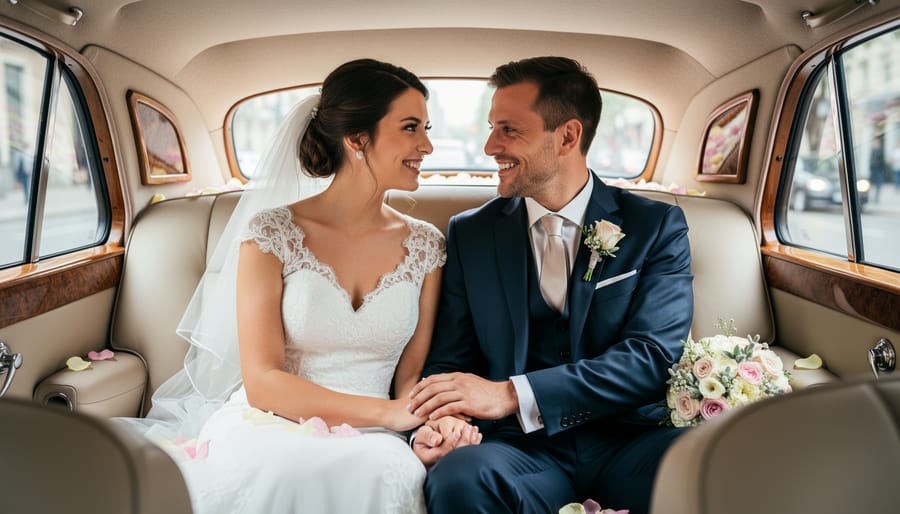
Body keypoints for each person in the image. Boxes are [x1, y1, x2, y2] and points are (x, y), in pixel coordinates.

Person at [119, 58, 475, 514]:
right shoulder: (270, 235)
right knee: (293, 471)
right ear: (357, 138)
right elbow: (264, 381)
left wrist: (424, 425)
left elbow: (409, 376)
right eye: (411, 128)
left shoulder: (427, 245)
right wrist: (389, 414)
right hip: (270, 420)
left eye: (426, 127)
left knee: (389, 471)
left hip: (377, 435)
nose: (427, 145)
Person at [407, 56, 694, 514]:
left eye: (508, 130)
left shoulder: (654, 225)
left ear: (567, 136)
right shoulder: (470, 233)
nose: (488, 147)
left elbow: (652, 357)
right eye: (490, 127)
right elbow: (450, 356)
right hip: (518, 451)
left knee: (723, 460)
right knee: (460, 478)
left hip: (631, 441)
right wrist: (446, 420)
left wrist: (508, 394)